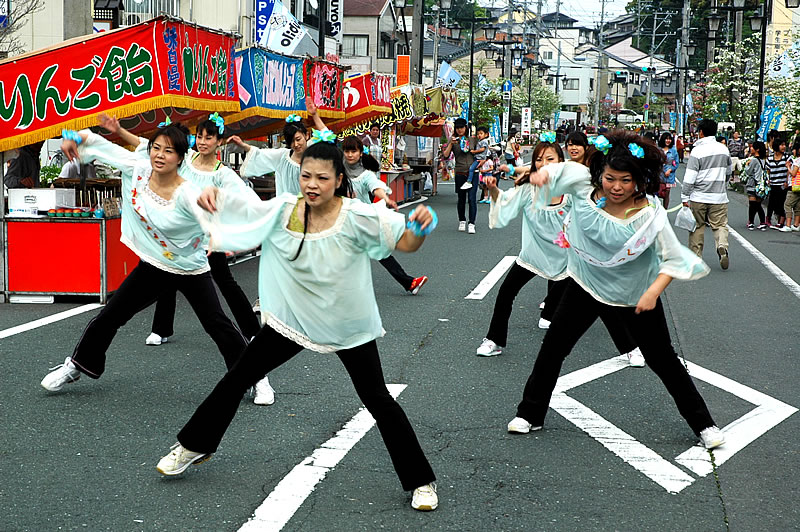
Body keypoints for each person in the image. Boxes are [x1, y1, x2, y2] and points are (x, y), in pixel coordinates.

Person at [155, 139, 440, 511]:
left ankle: (421, 481)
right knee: (238, 377)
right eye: (306, 175)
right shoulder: (285, 208)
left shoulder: (358, 216)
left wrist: (419, 228)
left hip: (345, 325)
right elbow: (243, 207)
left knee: (377, 398)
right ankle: (194, 446)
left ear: (339, 179)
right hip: (292, 319)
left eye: (322, 177)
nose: (312, 184)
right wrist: (213, 197)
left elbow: (404, 243)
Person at [506, 130, 725, 451]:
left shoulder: (649, 215)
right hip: (585, 284)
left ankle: (704, 423)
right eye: (610, 178)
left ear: (639, 180)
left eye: (625, 180)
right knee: (553, 349)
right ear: (600, 175)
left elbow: (673, 259)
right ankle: (530, 413)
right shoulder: (585, 191)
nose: (617, 187)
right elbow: (559, 169)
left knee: (663, 359)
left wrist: (653, 293)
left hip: (635, 292)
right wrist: (536, 174)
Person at [40, 122, 249, 395]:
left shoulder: (187, 191)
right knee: (111, 315)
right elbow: (96, 140)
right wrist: (70, 137)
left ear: (180, 158)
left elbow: (212, 212)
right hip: (154, 264)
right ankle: (77, 365)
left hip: (189, 267)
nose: (160, 155)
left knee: (216, 324)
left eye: (169, 151)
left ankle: (254, 376)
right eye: (156, 148)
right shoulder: (137, 168)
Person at [98, 113, 274, 405]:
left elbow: (242, 202)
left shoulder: (222, 174)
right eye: (200, 136)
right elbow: (148, 146)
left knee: (217, 312)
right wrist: (118, 131)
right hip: (168, 247)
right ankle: (159, 330)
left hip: (201, 247)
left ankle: (256, 371)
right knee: (139, 298)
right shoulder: (184, 160)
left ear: (220, 142)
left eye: (209, 137)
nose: (203, 142)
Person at [342, 135, 428, 294]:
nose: (350, 154)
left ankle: (409, 283)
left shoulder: (366, 174)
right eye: (347, 151)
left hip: (361, 220)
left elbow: (376, 187)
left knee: (380, 250)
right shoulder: (337, 169)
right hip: (340, 220)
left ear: (360, 153)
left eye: (353, 151)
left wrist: (386, 198)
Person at [681, 119, 733, 270]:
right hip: (719, 196)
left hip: (698, 196)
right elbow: (729, 171)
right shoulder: (723, 149)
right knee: (720, 225)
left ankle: (695, 258)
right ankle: (722, 246)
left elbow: (690, 177)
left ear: (701, 132)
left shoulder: (697, 151)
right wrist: (723, 183)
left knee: (697, 226)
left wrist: (685, 196)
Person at [441, 118, 477, 234]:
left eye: (462, 127)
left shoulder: (473, 140)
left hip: (473, 172)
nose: (460, 130)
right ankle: (462, 220)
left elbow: (482, 153)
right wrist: (451, 143)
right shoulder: (453, 141)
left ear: (466, 128)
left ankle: (472, 223)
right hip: (460, 172)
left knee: (472, 198)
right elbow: (445, 155)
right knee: (461, 198)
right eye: (457, 128)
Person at [765, 137, 789, 229]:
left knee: (781, 203)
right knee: (771, 202)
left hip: (783, 184)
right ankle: (768, 219)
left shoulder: (787, 157)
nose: (784, 147)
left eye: (784, 145)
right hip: (773, 184)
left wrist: (787, 181)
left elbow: (788, 171)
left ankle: (781, 221)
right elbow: (767, 170)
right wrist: (768, 180)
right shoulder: (770, 158)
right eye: (782, 145)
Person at [743, 141, 768, 230]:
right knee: (757, 204)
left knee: (753, 204)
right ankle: (762, 222)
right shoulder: (764, 160)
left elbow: (748, 172)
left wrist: (746, 165)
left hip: (753, 183)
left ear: (757, 149)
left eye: (752, 147)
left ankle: (751, 222)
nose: (751, 148)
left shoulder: (753, 160)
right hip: (761, 185)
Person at [461, 126, 489, 191]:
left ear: (486, 134)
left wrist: (474, 151)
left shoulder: (484, 141)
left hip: (479, 158)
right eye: (478, 134)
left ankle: (469, 181)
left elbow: (482, 149)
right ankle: (481, 182)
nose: (479, 135)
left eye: (481, 133)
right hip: (478, 158)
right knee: (478, 171)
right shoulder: (480, 140)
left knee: (471, 168)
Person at [657, 132, 679, 209]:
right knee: (657, 193)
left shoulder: (673, 150)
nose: (668, 140)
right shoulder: (658, 149)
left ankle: (665, 211)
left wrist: (670, 170)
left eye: (669, 139)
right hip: (658, 175)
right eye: (666, 139)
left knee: (666, 194)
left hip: (669, 177)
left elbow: (676, 163)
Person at [781, 144, 800, 232]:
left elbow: (793, 173)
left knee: (787, 204)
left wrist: (788, 167)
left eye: (794, 149)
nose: (793, 151)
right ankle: (796, 225)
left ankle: (788, 225)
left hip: (795, 186)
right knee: (797, 206)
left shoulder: (797, 161)